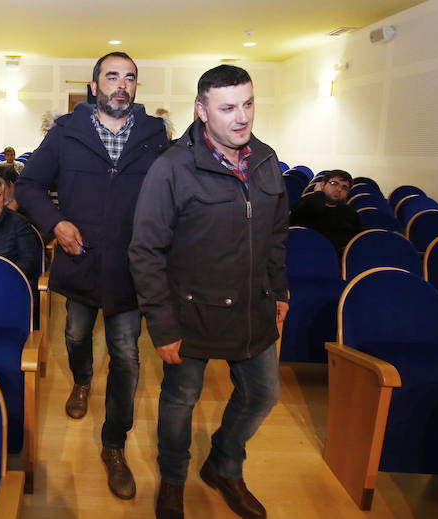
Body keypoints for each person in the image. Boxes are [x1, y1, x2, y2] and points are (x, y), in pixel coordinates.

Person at [129, 65, 288, 519]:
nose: (242, 118)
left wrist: (280, 290)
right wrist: (162, 325)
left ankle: (224, 465)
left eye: (248, 104)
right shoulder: (171, 169)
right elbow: (145, 251)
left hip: (255, 307)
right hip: (190, 313)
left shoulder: (265, 158)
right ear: (201, 111)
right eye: (227, 108)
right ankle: (173, 479)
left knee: (262, 395)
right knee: (180, 402)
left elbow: (277, 233)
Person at [16, 51, 169, 500]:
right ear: (94, 84)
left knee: (126, 356)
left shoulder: (156, 134)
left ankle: (114, 444)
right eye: (112, 76)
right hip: (79, 258)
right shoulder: (66, 132)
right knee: (77, 336)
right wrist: (55, 223)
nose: (121, 84)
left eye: (130, 77)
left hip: (129, 267)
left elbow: (172, 192)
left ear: (136, 86)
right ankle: (82, 380)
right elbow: (27, 186)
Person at [289, 169, 362, 254]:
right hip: (300, 253)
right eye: (334, 183)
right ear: (322, 185)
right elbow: (312, 210)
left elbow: (356, 244)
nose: (339, 189)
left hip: (331, 261)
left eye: (344, 188)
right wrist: (319, 193)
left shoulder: (350, 214)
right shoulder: (305, 203)